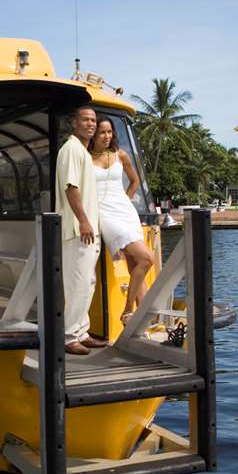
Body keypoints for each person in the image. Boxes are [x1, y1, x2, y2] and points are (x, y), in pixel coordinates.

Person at [89, 116, 156, 323]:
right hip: (105, 214)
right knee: (147, 259)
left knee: (134, 263)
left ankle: (140, 318)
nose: (107, 136)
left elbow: (135, 181)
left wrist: (125, 199)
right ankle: (127, 311)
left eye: (110, 132)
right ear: (94, 134)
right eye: (102, 132)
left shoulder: (121, 155)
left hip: (125, 211)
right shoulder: (86, 157)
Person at [54, 107, 108, 355]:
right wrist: (84, 221)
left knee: (88, 283)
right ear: (74, 123)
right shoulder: (71, 150)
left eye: (93, 120)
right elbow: (70, 187)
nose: (91, 124)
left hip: (88, 230)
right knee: (77, 284)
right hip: (78, 229)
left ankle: (81, 331)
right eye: (85, 119)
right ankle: (68, 336)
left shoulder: (82, 152)